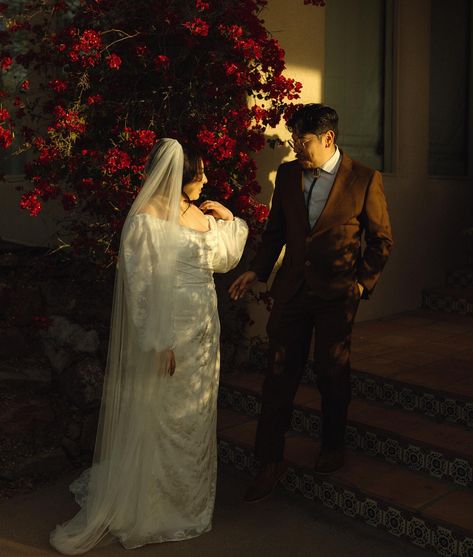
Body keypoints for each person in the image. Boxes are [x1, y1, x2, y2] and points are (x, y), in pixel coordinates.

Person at [50, 138, 248, 553]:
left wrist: (227, 216)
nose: (207, 180)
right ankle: (155, 506)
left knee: (195, 415)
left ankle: (188, 502)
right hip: (169, 331)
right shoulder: (145, 219)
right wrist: (158, 342)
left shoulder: (198, 211)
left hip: (204, 330)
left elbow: (224, 259)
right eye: (202, 174)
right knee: (162, 414)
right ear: (181, 176)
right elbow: (140, 287)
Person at [229, 103, 393, 503]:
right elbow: (277, 232)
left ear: (328, 138)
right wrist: (258, 270)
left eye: (302, 141)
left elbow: (381, 240)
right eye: (293, 140)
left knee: (331, 372)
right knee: (278, 374)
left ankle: (332, 444)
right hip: (292, 293)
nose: (295, 149)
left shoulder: (365, 179)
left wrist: (360, 285)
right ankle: (269, 461)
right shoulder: (287, 175)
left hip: (337, 297)